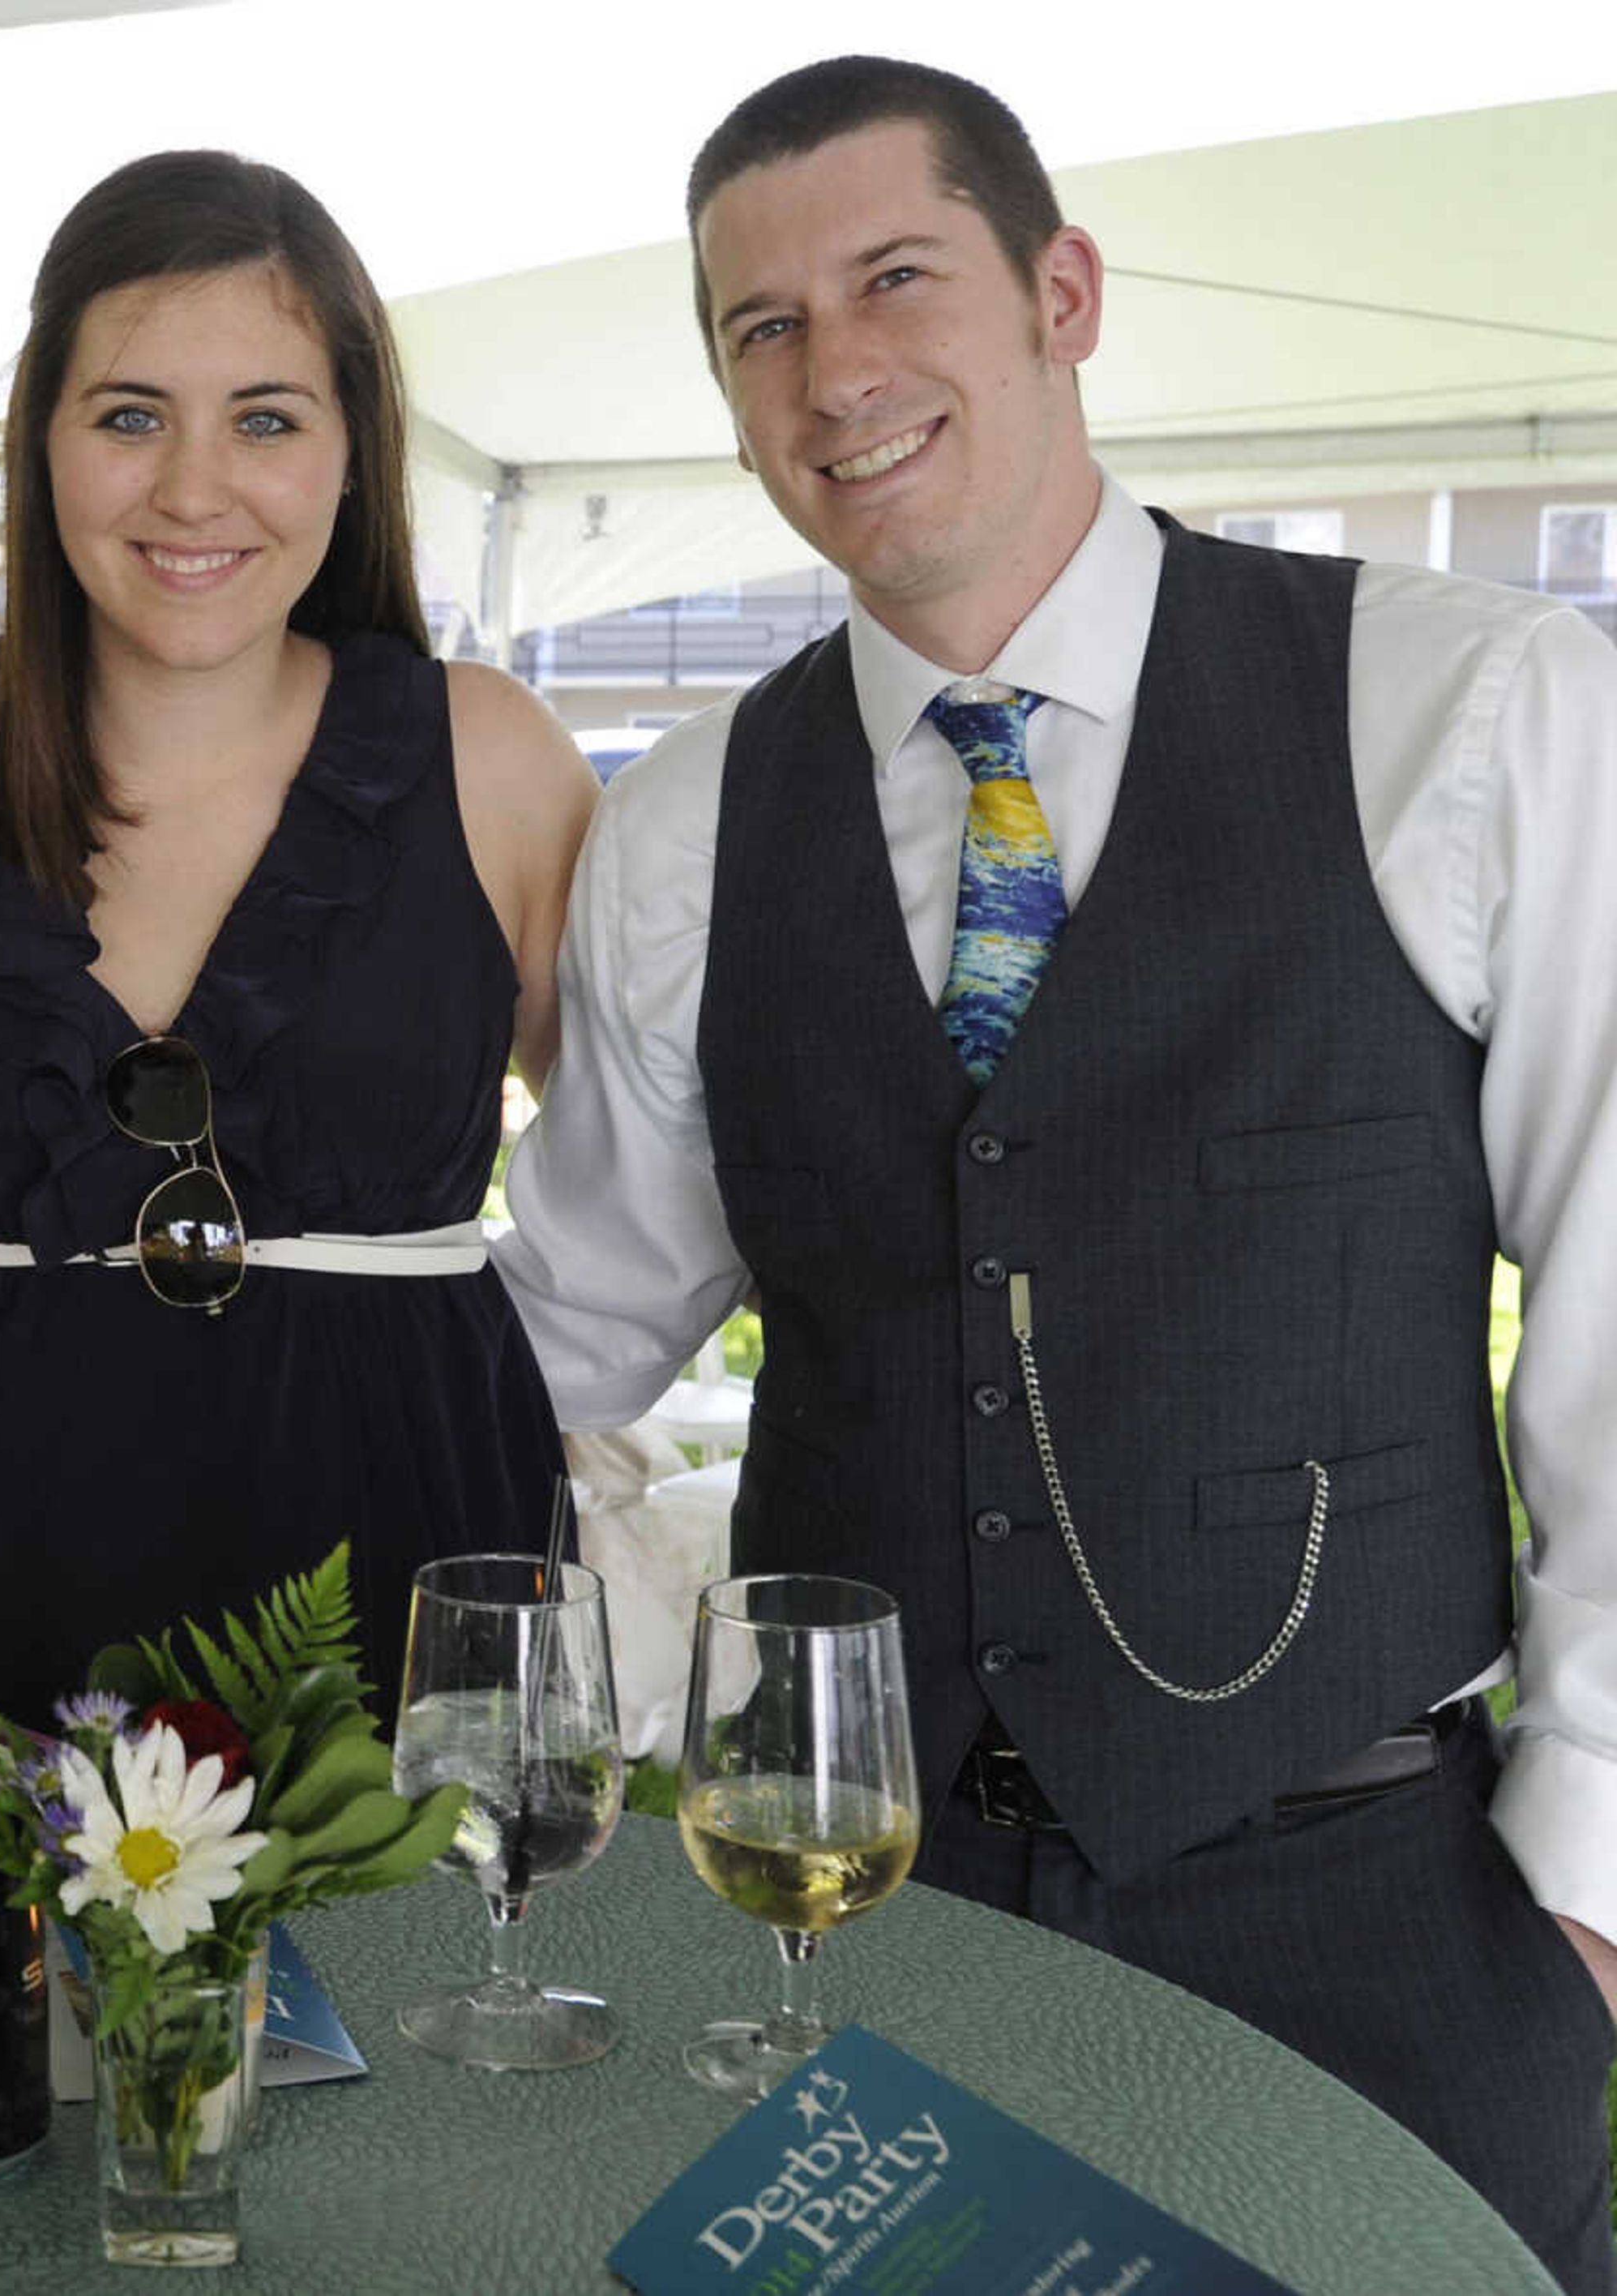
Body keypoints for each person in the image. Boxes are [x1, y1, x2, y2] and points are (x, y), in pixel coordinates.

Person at [494, 55, 1617, 2289]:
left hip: (1381, 1905)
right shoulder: (690, 826)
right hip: (860, 1926)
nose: (837, 370)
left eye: (894, 278)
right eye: (762, 328)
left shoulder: (1466, 703)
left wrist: (1586, 1880)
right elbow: (577, 1319)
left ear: (1064, 292)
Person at [0, 151, 594, 1724]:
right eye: (131, 414)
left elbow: (659, 1178)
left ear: (356, 449)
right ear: (43, 438)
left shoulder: (492, 759)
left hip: (414, 1625)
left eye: (267, 419)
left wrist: (529, 1454)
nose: (193, 489)